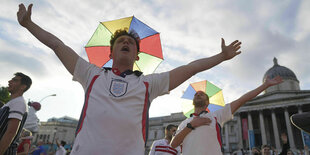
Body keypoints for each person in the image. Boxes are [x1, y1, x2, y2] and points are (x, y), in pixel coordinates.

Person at [17, 3, 242, 154]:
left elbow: (191, 68)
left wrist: (221, 56)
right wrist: (29, 24)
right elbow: (57, 45)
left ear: (137, 56)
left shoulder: (149, 83)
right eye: (121, 41)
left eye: (131, 42)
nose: (126, 43)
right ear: (110, 53)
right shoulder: (91, 74)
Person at [170, 76, 283, 155]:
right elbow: (173, 144)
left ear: (208, 102)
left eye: (202, 94)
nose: (198, 94)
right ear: (193, 101)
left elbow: (243, 99)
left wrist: (265, 85)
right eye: (196, 94)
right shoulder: (185, 123)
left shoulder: (216, 115)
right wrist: (191, 125)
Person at [0, 72, 32, 154]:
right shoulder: (12, 103)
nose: (9, 81)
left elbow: (11, 132)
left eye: (15, 80)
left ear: (23, 87)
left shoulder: (18, 102)